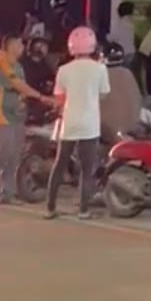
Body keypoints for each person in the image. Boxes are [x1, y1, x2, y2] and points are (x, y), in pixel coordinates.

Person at [0, 35, 55, 203]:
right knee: (5, 150)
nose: (22, 47)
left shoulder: (18, 65)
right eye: (19, 44)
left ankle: (7, 193)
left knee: (14, 155)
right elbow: (18, 85)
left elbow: (21, 90)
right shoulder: (1, 63)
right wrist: (41, 97)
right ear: (9, 46)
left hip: (17, 114)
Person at [45, 26, 110, 219]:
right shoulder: (100, 69)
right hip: (90, 123)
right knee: (86, 168)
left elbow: (59, 96)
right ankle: (83, 209)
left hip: (69, 122)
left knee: (60, 163)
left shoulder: (63, 70)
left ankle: (50, 207)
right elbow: (104, 94)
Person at [100, 41, 144, 141]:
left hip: (106, 132)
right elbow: (138, 100)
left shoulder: (100, 75)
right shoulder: (128, 74)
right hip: (130, 127)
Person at [108, 1, 138, 66]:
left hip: (122, 52)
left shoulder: (119, 24)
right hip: (131, 51)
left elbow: (112, 37)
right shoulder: (131, 23)